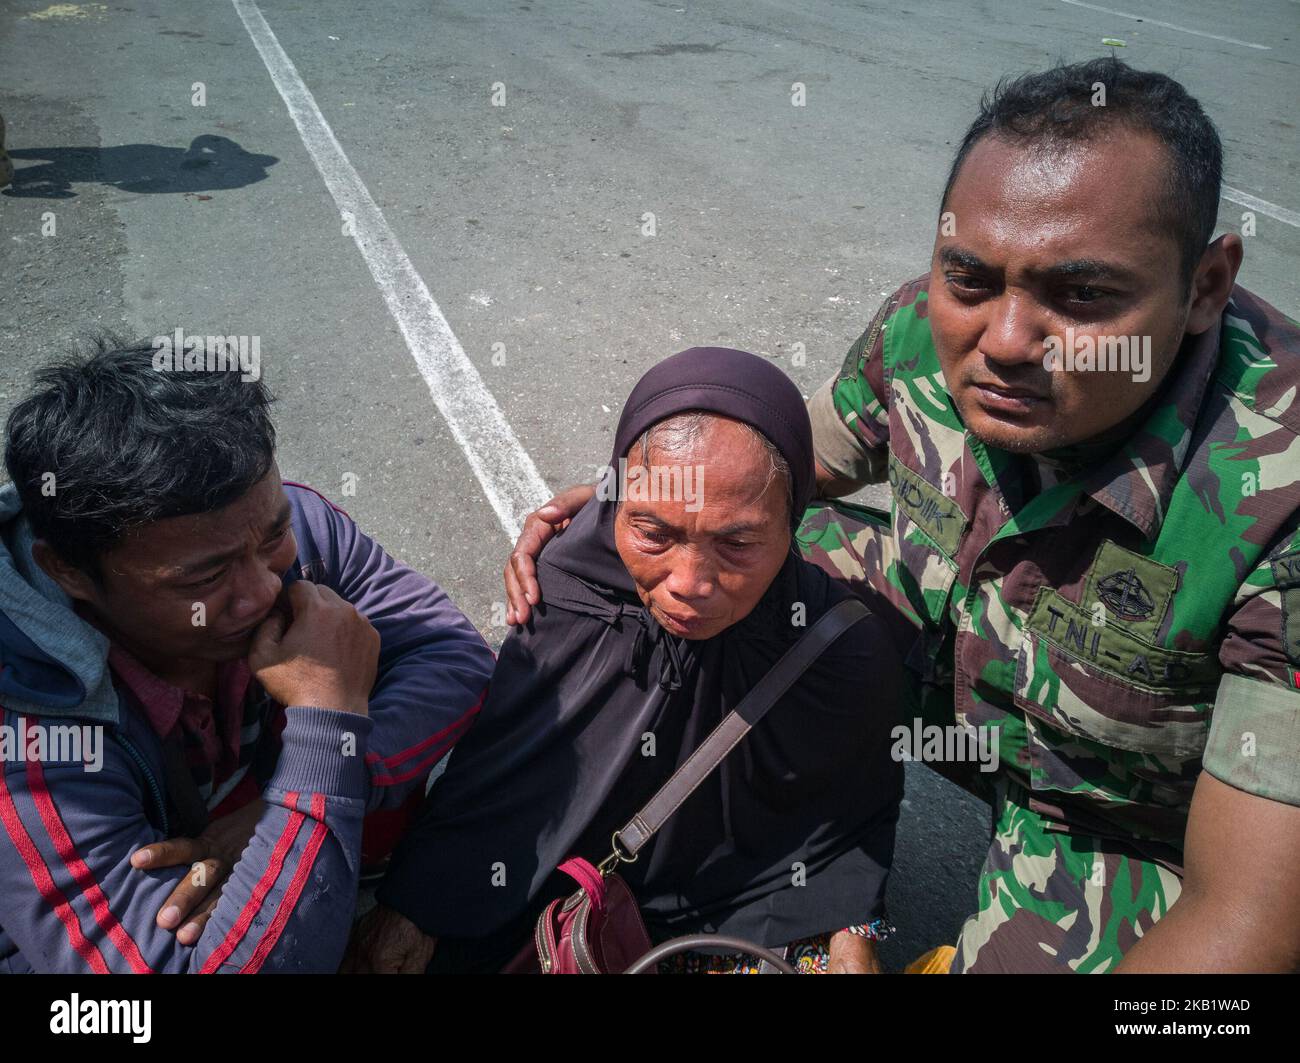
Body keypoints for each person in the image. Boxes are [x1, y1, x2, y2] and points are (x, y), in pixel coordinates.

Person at [503, 59, 1300, 973]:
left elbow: (1251, 925)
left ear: (1204, 287)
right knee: (735, 550)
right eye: (970, 277)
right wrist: (625, 504)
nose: (1003, 342)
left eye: (1081, 295)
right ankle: (805, 874)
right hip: (961, 683)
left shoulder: (1280, 493)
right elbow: (780, 470)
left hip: (1118, 818)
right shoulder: (921, 333)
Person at [352, 347, 905, 974]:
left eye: (738, 542)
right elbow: (499, 770)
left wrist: (854, 940)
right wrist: (417, 902)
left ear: (794, 521)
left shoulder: (839, 650)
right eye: (653, 533)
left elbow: (849, 825)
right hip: (566, 906)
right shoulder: (570, 585)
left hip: (746, 905)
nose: (690, 583)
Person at [0, 338, 495, 972]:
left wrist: (292, 805)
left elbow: (450, 650)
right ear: (68, 570)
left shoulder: (291, 532)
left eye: (272, 536)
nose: (263, 590)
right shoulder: (30, 740)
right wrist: (327, 719)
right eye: (202, 579)